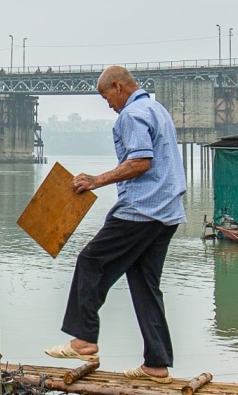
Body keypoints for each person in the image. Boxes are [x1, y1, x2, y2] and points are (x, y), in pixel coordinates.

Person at [45, 66, 186, 378]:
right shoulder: (157, 109)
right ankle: (156, 363)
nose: (107, 104)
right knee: (144, 282)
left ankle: (83, 339)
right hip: (168, 213)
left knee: (90, 261)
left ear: (119, 87)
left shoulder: (132, 115)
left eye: (105, 96)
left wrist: (96, 180)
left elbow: (140, 161)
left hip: (142, 210)